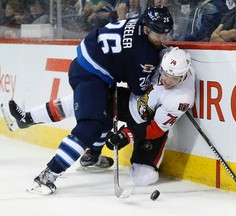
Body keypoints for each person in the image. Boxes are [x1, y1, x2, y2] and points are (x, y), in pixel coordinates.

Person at [15, 6, 173, 195]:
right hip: (90, 75)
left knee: (104, 116)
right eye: (159, 34)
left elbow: (124, 49)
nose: (163, 39)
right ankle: (47, 175)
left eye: (166, 33)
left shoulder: (139, 22)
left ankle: (92, 157)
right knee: (90, 125)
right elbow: (139, 89)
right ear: (146, 28)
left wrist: (118, 65)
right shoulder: (145, 54)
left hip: (90, 63)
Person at [8, 47, 196, 187]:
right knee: (88, 100)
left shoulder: (181, 98)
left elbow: (155, 129)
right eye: (165, 74)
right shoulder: (164, 56)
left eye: (174, 78)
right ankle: (29, 118)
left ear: (183, 76)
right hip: (130, 101)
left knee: (143, 178)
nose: (167, 80)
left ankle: (99, 156)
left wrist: (126, 135)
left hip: (146, 126)